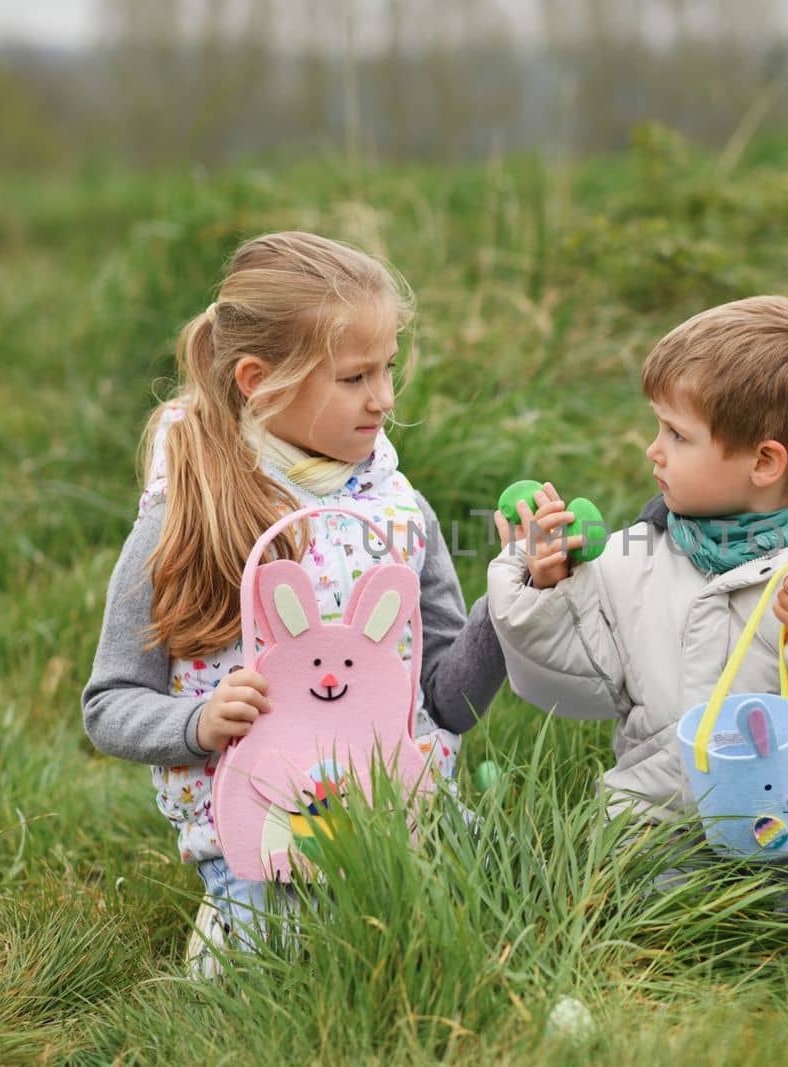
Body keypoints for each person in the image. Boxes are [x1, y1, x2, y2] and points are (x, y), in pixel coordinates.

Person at [82, 231, 506, 970]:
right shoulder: (185, 513)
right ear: (257, 379)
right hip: (264, 844)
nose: (384, 398)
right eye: (353, 377)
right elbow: (109, 701)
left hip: (405, 823)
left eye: (389, 369)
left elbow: (448, 697)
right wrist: (197, 722)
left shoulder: (401, 513)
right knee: (251, 977)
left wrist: (514, 595)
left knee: (494, 929)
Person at [487, 295, 788, 949]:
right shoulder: (635, 558)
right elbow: (572, 687)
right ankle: (685, 913)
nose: (653, 450)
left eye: (677, 434)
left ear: (764, 462)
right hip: (664, 808)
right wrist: (548, 585)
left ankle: (782, 923)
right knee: (595, 889)